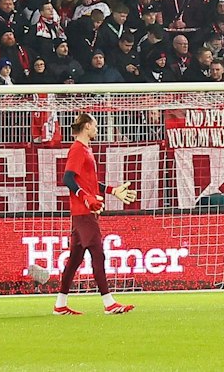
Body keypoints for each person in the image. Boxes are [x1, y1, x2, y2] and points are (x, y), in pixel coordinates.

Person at [54, 112, 135, 315]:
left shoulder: (85, 150)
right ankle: (109, 303)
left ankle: (60, 304)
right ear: (87, 126)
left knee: (74, 260)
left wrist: (111, 190)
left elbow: (87, 182)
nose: (97, 129)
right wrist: (85, 197)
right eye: (95, 126)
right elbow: (68, 179)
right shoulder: (78, 150)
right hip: (83, 212)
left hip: (84, 212)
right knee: (98, 255)